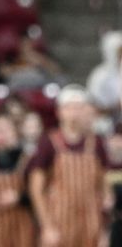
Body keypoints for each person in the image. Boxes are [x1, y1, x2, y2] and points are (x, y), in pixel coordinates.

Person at [28, 84, 108, 247]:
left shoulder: (96, 142)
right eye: (70, 108)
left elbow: (104, 182)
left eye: (80, 108)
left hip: (91, 224)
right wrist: (47, 226)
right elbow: (36, 188)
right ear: (59, 112)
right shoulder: (48, 142)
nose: (75, 113)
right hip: (59, 223)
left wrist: (104, 230)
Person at [0, 115, 34, 247]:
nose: (0, 134)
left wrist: (20, 198)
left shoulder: (28, 159)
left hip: (25, 229)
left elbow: (44, 192)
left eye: (5, 129)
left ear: (15, 132)